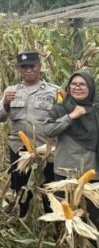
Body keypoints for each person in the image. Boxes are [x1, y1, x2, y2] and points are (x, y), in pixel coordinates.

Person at [0, 51, 58, 217]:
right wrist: (6, 103)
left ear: (39, 67)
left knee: (49, 186)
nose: (28, 70)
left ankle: (51, 219)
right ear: (19, 70)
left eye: (32, 66)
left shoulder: (54, 91)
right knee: (19, 185)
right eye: (24, 67)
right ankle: (20, 218)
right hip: (19, 148)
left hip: (47, 149)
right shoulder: (11, 91)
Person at [44, 71, 99, 224]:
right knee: (65, 216)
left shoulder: (96, 109)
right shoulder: (60, 109)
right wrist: (70, 117)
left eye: (82, 84)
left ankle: (92, 247)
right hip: (66, 173)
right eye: (73, 84)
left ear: (90, 88)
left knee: (93, 217)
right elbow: (48, 131)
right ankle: (66, 246)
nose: (77, 87)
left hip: (93, 173)